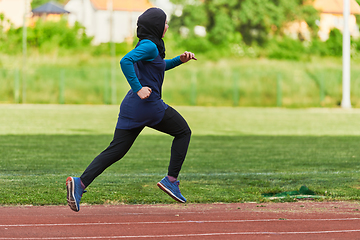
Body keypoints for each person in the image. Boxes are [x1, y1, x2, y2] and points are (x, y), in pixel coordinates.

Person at [66, 7, 197, 212]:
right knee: (183, 131)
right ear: (156, 26)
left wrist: (179, 60)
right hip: (148, 105)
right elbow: (125, 61)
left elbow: (159, 66)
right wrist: (138, 88)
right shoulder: (150, 46)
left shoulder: (150, 46)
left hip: (132, 107)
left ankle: (80, 184)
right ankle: (171, 180)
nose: (167, 26)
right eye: (165, 22)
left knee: (116, 150)